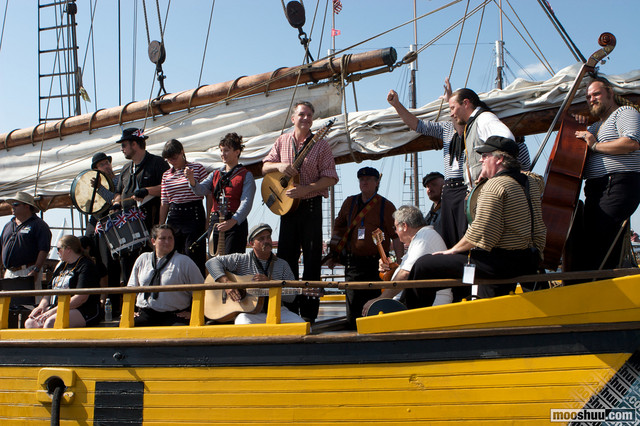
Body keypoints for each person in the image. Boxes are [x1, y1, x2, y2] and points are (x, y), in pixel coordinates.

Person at [409, 136, 546, 302]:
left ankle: (416, 318)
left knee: (424, 265)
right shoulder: (532, 182)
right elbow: (526, 175)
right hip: (531, 259)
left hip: (502, 263)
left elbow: (482, 232)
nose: (481, 159)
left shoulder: (495, 186)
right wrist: (492, 173)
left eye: (485, 156)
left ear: (500, 159)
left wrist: (452, 251)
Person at [262, 101, 339, 322]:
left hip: (311, 206)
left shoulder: (321, 144)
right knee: (286, 259)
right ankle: (289, 311)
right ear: (293, 118)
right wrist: (279, 167)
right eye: (302, 115)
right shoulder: (282, 141)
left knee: (313, 261)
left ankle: (309, 314)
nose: (305, 118)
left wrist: (307, 188)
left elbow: (331, 177)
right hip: (287, 209)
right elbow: (265, 166)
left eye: (309, 116)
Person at [571, 77, 640, 271]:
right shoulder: (594, 127)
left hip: (618, 184)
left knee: (600, 240)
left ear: (610, 93)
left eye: (596, 94)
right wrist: (578, 128)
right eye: (588, 97)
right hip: (596, 189)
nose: (591, 99)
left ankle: (601, 286)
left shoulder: (624, 112)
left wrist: (594, 145)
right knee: (588, 241)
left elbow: (631, 143)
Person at [326, 166, 403, 329]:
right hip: (353, 264)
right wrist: (334, 255)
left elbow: (396, 237)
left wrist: (399, 264)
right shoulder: (349, 202)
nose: (364, 182)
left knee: (374, 307)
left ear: (377, 183)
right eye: (362, 179)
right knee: (353, 307)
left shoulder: (386, 206)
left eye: (368, 179)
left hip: (376, 265)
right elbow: (338, 229)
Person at [205, 223, 305, 324]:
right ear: (252, 243)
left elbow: (292, 296)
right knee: (242, 322)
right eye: (261, 239)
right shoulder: (241, 259)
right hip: (250, 314)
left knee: (302, 326)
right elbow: (211, 263)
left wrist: (270, 283)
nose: (266, 241)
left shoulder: (282, 264)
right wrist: (227, 284)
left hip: (278, 311)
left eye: (268, 237)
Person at [362, 205, 449, 315]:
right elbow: (408, 271)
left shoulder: (424, 237)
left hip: (429, 307)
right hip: (414, 304)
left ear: (404, 226)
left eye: (395, 228)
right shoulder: (420, 238)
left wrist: (381, 299)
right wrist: (390, 269)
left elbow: (405, 274)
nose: (396, 233)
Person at [113, 128, 169, 284]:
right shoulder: (125, 169)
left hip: (150, 227)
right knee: (127, 269)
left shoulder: (158, 163)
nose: (122, 149)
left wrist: (147, 191)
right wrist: (116, 203)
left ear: (135, 144)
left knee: (149, 268)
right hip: (128, 231)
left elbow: (168, 188)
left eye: (124, 145)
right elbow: (118, 193)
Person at [188, 132, 255, 255]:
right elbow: (201, 190)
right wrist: (192, 180)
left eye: (227, 150)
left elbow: (247, 202)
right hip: (216, 221)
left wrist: (233, 221)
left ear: (237, 152)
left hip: (235, 222)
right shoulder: (215, 174)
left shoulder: (246, 175)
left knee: (232, 260)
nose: (222, 154)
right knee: (214, 260)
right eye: (221, 150)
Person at [126, 224, 204, 327]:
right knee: (118, 332)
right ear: (153, 241)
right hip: (146, 314)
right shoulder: (143, 259)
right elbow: (131, 288)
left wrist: (192, 312)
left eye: (170, 238)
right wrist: (130, 312)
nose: (167, 242)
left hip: (175, 315)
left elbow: (202, 288)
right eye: (162, 238)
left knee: (179, 335)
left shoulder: (184, 261)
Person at [25, 235, 101, 328]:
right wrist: (41, 306)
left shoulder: (86, 266)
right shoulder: (62, 265)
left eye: (58, 249)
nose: (57, 252)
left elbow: (81, 297)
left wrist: (53, 311)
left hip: (83, 309)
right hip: (58, 307)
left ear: (68, 249)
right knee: (30, 323)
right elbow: (50, 290)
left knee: (51, 322)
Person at [159, 139, 210, 275]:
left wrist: (208, 220)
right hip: (174, 215)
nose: (172, 161)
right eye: (169, 159)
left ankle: (197, 291)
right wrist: (160, 225)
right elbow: (164, 202)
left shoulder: (197, 168)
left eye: (174, 157)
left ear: (182, 152)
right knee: (171, 254)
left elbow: (208, 194)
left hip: (194, 214)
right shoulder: (166, 175)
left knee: (192, 253)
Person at [1, 192, 51, 293]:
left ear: (27, 206)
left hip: (28, 271)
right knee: (7, 306)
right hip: (9, 272)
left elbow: (44, 249)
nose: (12, 207)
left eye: (15, 204)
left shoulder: (39, 225)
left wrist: (36, 270)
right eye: (12, 204)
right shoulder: (8, 225)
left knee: (28, 305)